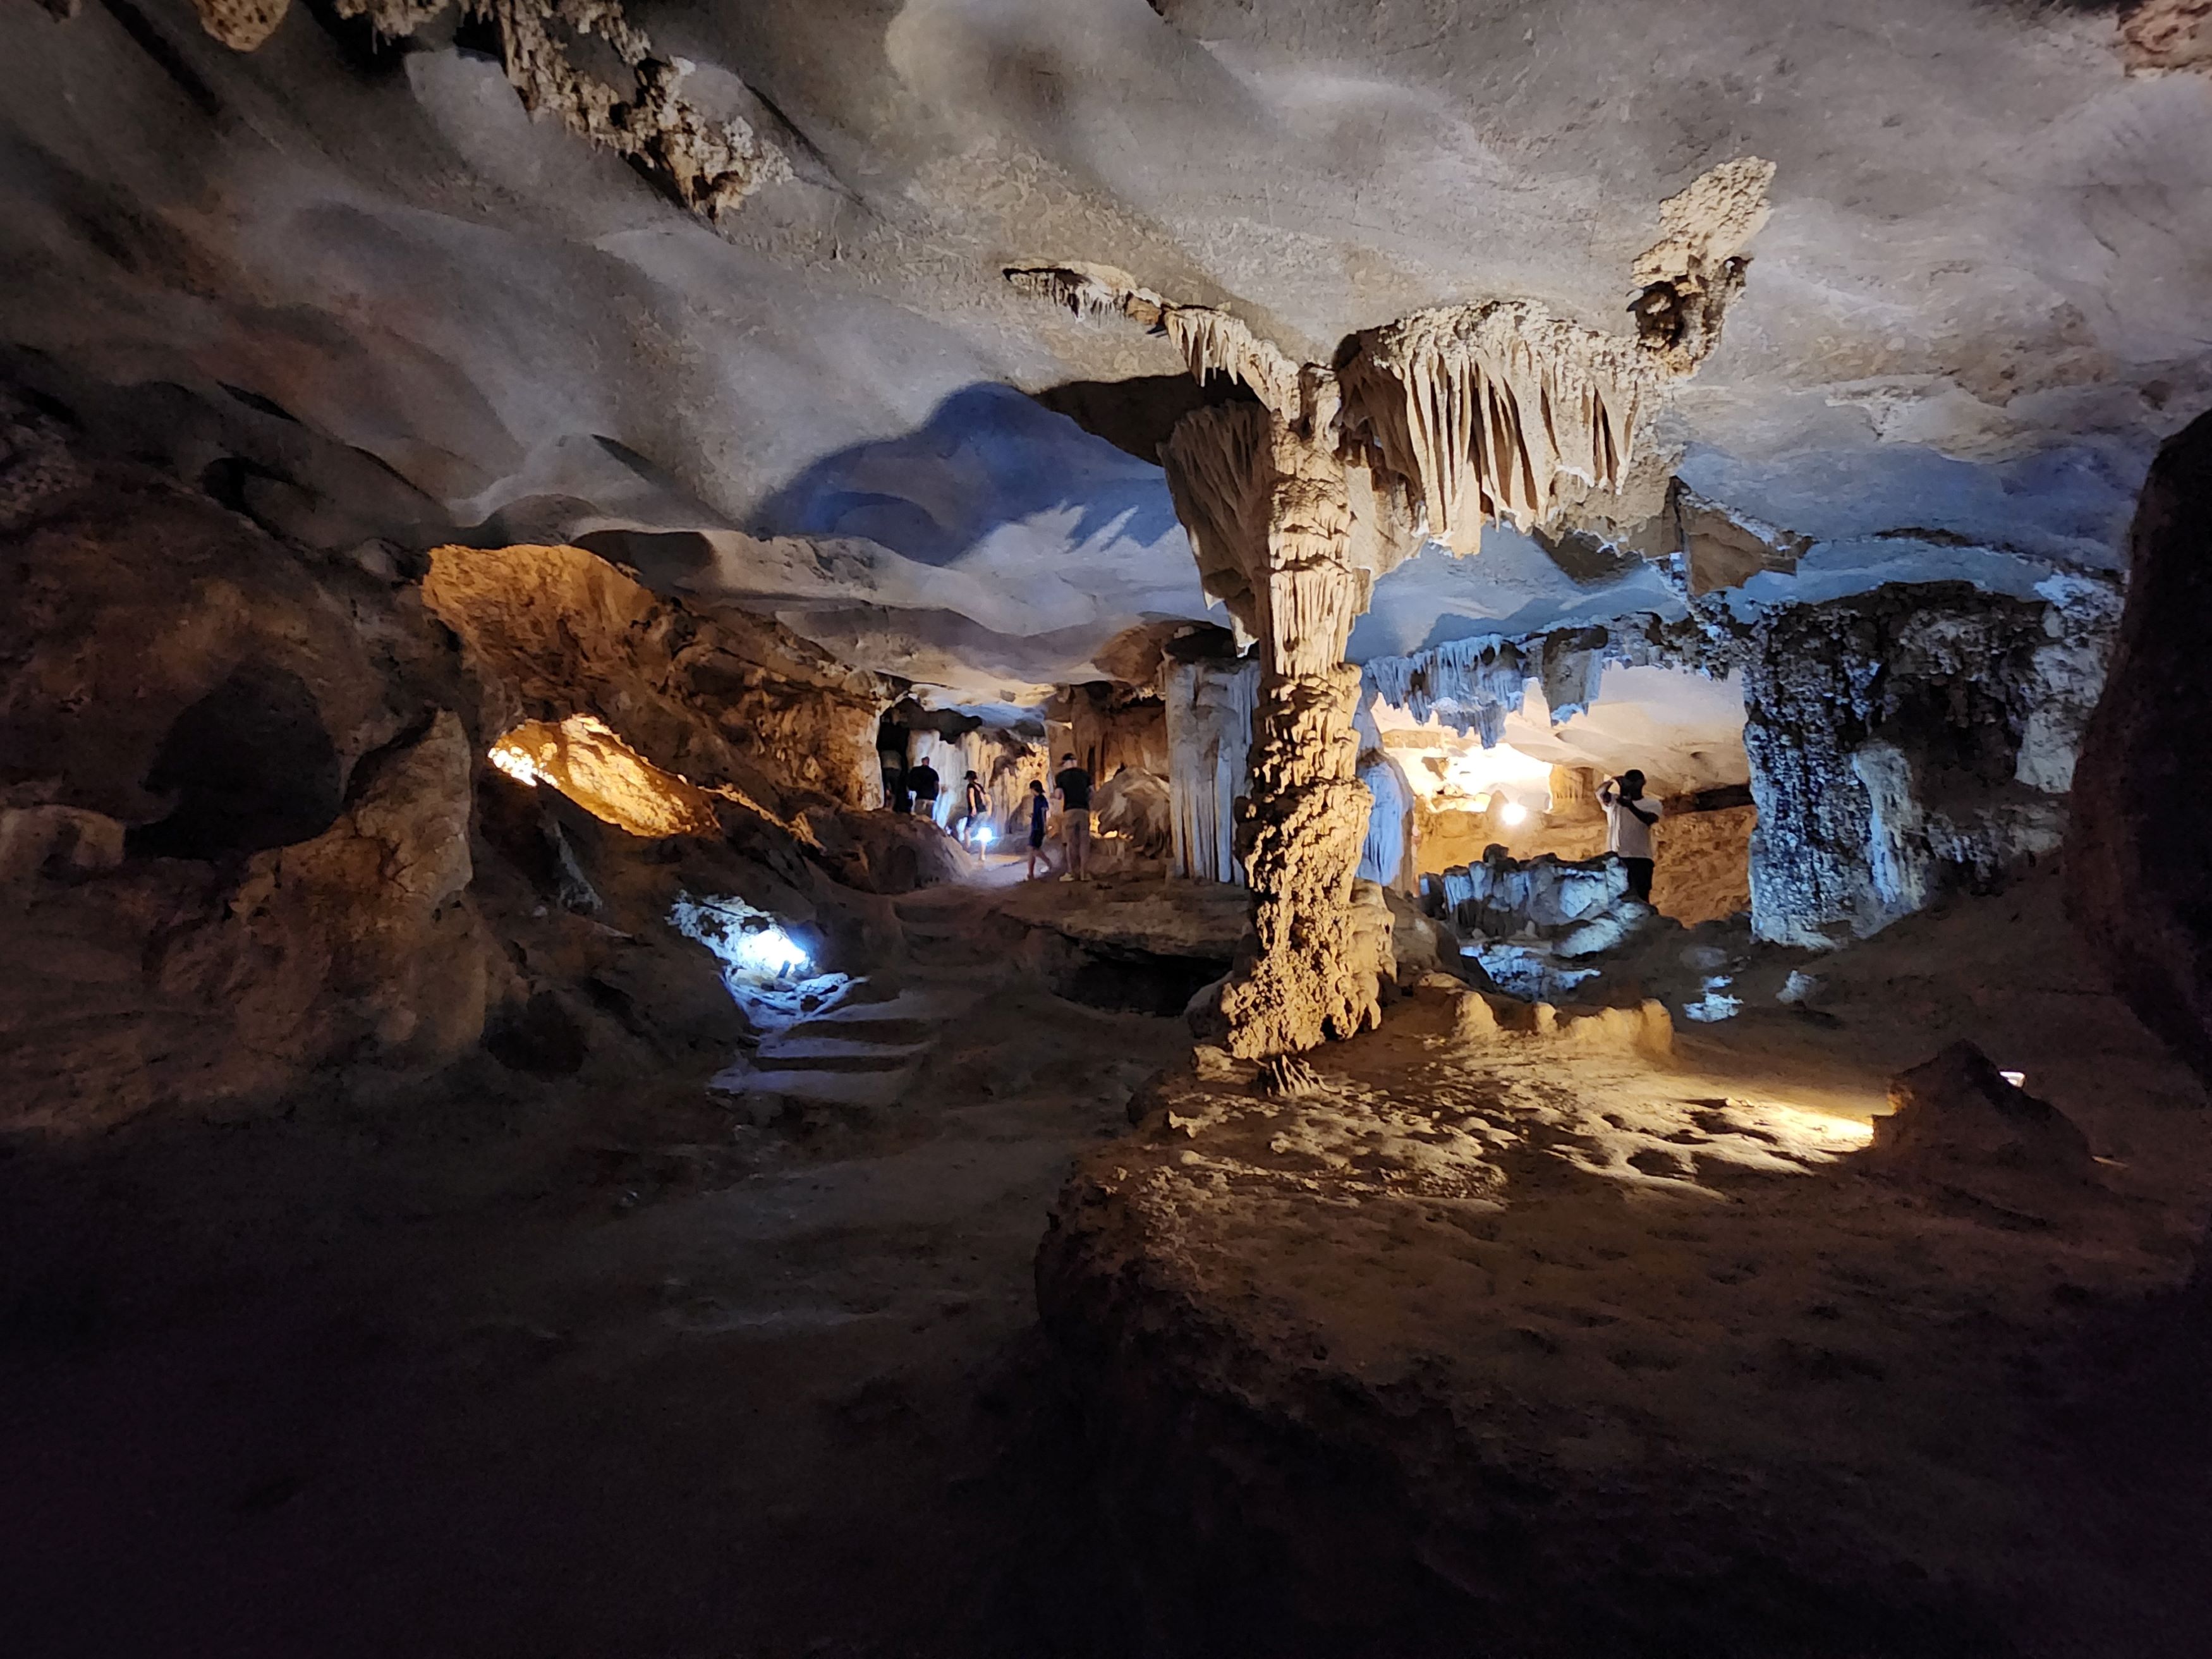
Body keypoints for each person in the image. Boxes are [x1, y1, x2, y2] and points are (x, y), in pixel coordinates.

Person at [1598, 769, 1662, 902]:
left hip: (1640, 857)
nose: (1632, 785)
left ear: (1642, 783)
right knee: (1615, 896)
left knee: (1640, 895)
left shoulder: (1652, 804)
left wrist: (1630, 806)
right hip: (1617, 856)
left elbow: (1649, 820)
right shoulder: (1614, 802)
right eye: (1629, 782)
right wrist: (1612, 781)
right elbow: (1600, 793)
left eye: (1635, 782)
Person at [1054, 751, 1093, 882]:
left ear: (1065, 763)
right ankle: (1085, 874)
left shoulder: (1061, 776)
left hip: (1070, 810)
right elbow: (1092, 793)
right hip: (1084, 810)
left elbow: (1059, 795)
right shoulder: (1085, 775)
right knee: (1084, 843)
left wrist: (1054, 794)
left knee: (1071, 843)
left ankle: (1072, 873)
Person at [1023, 778, 1054, 879]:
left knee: (1033, 849)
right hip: (1037, 826)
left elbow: (1043, 813)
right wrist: (1033, 816)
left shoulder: (1040, 799)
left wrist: (1045, 826)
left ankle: (1049, 864)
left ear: (1033, 789)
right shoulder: (1039, 799)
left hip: (1038, 828)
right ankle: (1031, 873)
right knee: (1032, 850)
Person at [959, 770, 990, 848]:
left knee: (967, 831)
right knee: (982, 831)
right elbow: (987, 798)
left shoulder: (970, 786)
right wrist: (989, 808)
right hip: (983, 811)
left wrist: (973, 808)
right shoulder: (979, 786)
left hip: (977, 811)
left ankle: (967, 849)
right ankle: (982, 855)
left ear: (969, 778)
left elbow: (971, 795)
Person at [907, 757, 941, 827]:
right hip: (931, 799)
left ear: (922, 761)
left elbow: (910, 782)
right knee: (929, 821)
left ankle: (919, 836)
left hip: (921, 797)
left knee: (919, 819)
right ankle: (928, 836)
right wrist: (935, 796)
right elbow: (936, 785)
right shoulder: (934, 772)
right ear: (928, 762)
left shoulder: (916, 770)